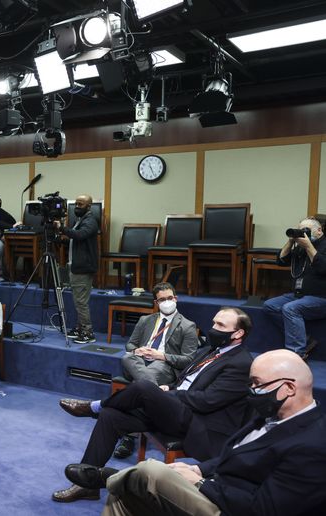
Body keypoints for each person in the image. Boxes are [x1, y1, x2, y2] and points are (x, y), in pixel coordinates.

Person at [64, 350, 326, 516]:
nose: (251, 391)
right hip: (212, 481)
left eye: (257, 384)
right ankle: (105, 478)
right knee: (123, 493)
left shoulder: (314, 444)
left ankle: (109, 475)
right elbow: (235, 454)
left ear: (289, 388)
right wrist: (200, 470)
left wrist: (201, 483)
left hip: (225, 504)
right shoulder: (270, 413)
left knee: (152, 471)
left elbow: (265, 509)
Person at [52, 307, 254, 503]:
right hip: (177, 410)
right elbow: (186, 379)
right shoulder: (211, 350)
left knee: (143, 387)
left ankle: (94, 407)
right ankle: (87, 486)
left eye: (220, 324)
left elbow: (208, 401)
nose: (213, 328)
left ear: (238, 333)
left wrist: (172, 394)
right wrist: (169, 388)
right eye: (213, 322)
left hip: (198, 423)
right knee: (111, 417)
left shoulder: (241, 363)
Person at [113, 282, 199, 459]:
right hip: (139, 362)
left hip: (164, 366)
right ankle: (154, 393)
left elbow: (189, 360)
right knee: (127, 357)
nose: (167, 302)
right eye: (162, 300)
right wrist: (137, 350)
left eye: (170, 298)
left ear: (176, 299)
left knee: (144, 378)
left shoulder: (188, 325)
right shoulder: (145, 320)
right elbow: (130, 344)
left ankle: (128, 437)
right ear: (156, 302)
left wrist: (162, 356)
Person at [263, 217, 326, 360]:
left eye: (306, 230)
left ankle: (297, 354)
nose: (303, 233)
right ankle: (304, 339)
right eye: (300, 230)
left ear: (319, 230)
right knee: (269, 306)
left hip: (321, 298)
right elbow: (281, 261)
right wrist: (291, 240)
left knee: (291, 308)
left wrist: (309, 246)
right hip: (299, 296)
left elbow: (323, 268)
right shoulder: (299, 248)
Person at [54, 194, 99, 344]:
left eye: (81, 204)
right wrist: (62, 239)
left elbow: (80, 235)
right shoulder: (79, 220)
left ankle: (88, 332)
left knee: (81, 301)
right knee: (78, 300)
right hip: (76, 265)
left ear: (89, 206)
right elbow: (76, 241)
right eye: (76, 204)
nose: (77, 207)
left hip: (83, 267)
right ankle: (80, 327)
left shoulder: (91, 221)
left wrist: (63, 228)